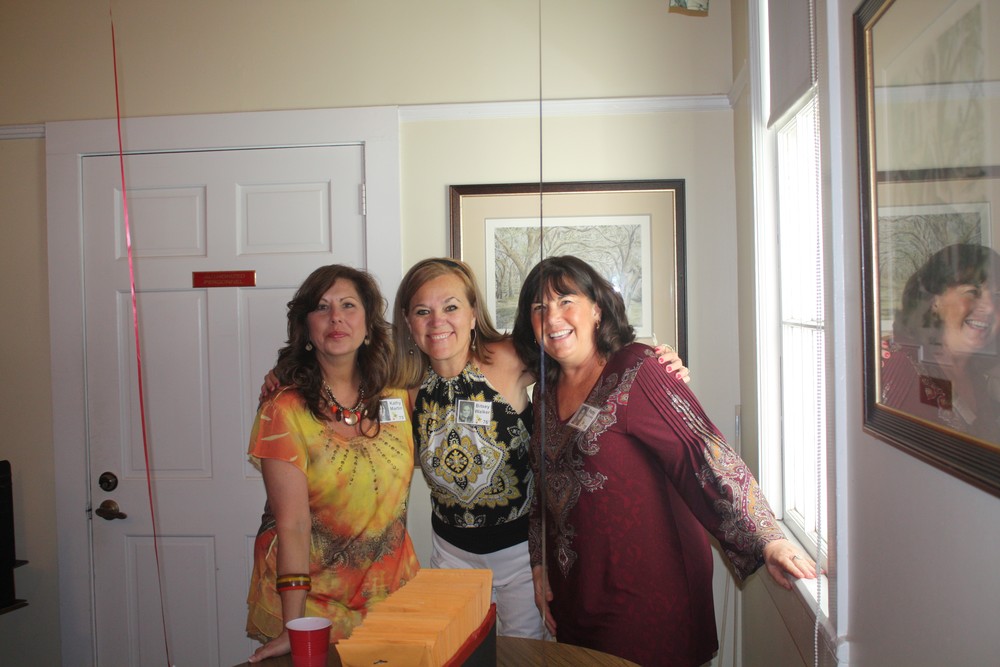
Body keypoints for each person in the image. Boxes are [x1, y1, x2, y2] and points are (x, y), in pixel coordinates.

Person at [510, 255, 816, 667]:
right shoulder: (545, 393)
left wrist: (766, 536)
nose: (552, 318)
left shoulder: (638, 368)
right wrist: (539, 562)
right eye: (539, 307)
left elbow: (701, 451)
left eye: (566, 301)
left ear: (597, 309)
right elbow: (543, 488)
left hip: (647, 595)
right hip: (577, 593)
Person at [391, 257, 690, 640]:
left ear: (472, 313)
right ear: (408, 321)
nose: (437, 322)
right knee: (456, 653)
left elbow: (587, 355)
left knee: (525, 657)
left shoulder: (507, 357)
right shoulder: (405, 386)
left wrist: (653, 359)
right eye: (422, 311)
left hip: (521, 554)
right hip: (450, 554)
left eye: (451, 307)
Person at [245, 265, 420, 663]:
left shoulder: (399, 393)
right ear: (306, 329)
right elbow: (293, 524)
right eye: (322, 307)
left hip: (393, 599)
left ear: (369, 324)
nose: (336, 317)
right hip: (314, 608)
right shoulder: (284, 410)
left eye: (348, 305)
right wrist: (295, 627)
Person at [881, 243, 1000, 442]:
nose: (990, 307)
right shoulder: (897, 365)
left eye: (998, 295)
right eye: (972, 291)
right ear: (935, 301)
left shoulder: (980, 377)